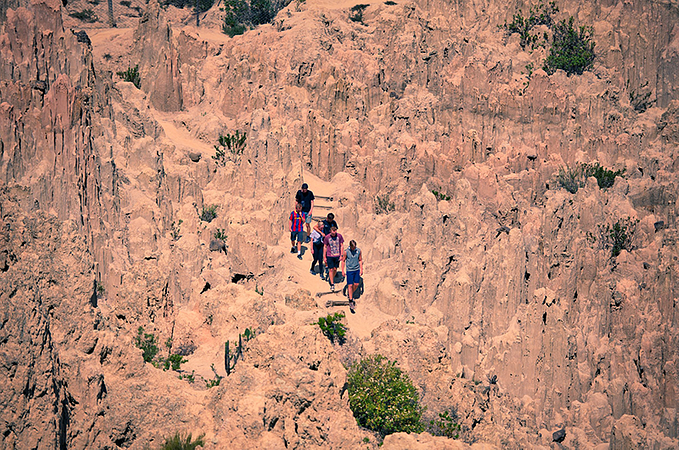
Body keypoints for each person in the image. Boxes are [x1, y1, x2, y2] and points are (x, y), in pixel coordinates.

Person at [341, 240, 363, 314]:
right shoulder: (346, 252)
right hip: (349, 270)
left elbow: (360, 260)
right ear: (350, 246)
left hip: (356, 269)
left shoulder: (359, 251)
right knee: (350, 285)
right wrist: (343, 271)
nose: (354, 249)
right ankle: (351, 300)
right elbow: (343, 261)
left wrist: (361, 269)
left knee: (356, 284)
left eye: (354, 247)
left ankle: (350, 293)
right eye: (352, 247)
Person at [323, 226, 344, 292]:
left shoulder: (339, 236)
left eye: (335, 233)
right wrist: (324, 256)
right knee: (331, 269)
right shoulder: (327, 237)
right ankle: (332, 283)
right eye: (332, 233)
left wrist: (341, 255)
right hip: (330, 255)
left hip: (337, 255)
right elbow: (325, 246)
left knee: (335, 269)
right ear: (330, 231)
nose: (334, 234)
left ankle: (331, 277)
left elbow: (342, 245)